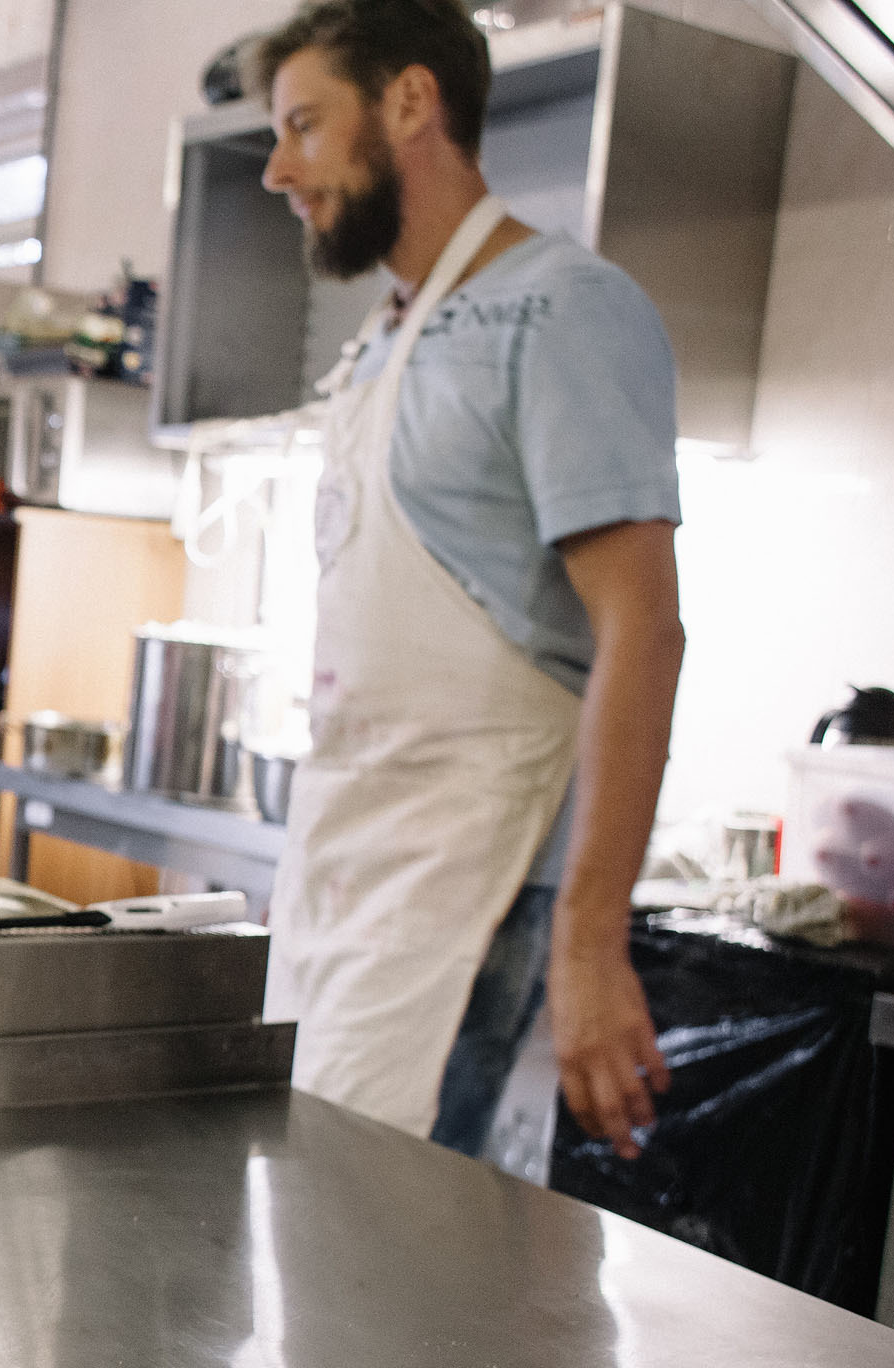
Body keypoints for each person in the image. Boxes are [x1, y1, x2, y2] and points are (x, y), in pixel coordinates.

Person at [250, 0, 688, 1160]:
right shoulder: (388, 335)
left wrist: (591, 944)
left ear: (409, 101)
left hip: (473, 891)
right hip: (353, 865)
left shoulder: (563, 311)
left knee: (377, 1267)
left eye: (304, 124)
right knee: (309, 1252)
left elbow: (645, 631)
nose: (276, 169)